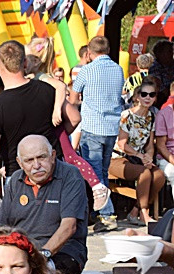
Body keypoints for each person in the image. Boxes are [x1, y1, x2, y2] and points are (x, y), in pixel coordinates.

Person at [0, 40, 77, 214]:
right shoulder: (47, 90)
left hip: (20, 176)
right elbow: (75, 118)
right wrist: (54, 135)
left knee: (22, 233)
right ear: (24, 62)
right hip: (52, 169)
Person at [24, 37, 110, 212]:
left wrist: (57, 111)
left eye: (25, 59)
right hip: (52, 126)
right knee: (64, 160)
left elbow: (61, 87)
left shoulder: (43, 78)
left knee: (70, 156)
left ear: (34, 60)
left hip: (53, 125)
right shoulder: (35, 78)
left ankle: (96, 186)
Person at [0, 135, 88, 274]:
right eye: (29, 160)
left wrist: (42, 255)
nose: (36, 165)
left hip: (62, 252)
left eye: (41, 157)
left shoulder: (70, 175)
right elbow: (2, 227)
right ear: (20, 163)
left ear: (52, 156)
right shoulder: (15, 180)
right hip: (23, 252)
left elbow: (69, 227)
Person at [73, 37, 125, 231]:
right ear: (109, 49)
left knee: (94, 173)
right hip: (111, 127)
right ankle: (99, 212)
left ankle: (107, 215)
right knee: (102, 171)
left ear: (88, 52)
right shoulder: (118, 69)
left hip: (92, 126)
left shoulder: (86, 70)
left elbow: (73, 96)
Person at [110, 77, 165, 226]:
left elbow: (150, 144)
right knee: (145, 173)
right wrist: (141, 156)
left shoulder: (151, 117)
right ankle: (144, 212)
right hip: (118, 158)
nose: (148, 98)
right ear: (137, 96)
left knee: (159, 175)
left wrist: (148, 156)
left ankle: (135, 210)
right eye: (144, 94)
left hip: (138, 159)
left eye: (152, 95)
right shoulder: (127, 115)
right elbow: (122, 144)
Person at [150, 40, 174, 107]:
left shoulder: (171, 65)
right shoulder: (155, 68)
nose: (172, 53)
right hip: (163, 100)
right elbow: (161, 88)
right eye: (169, 51)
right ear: (160, 54)